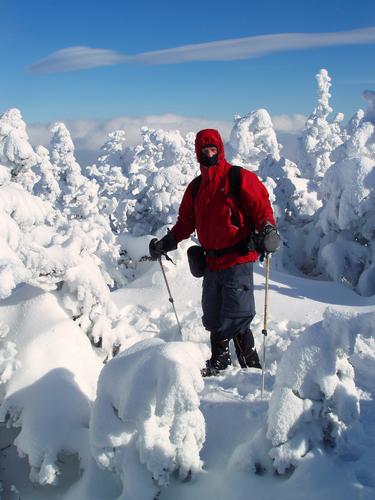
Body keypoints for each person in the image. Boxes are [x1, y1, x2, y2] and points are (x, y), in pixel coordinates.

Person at [149, 129, 280, 376]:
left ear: (220, 150)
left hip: (238, 257)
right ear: (198, 154)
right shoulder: (196, 187)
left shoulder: (237, 177)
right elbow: (185, 222)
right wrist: (166, 243)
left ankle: (250, 369)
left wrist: (268, 230)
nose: (208, 153)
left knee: (237, 314)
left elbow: (261, 207)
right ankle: (220, 361)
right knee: (214, 314)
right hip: (211, 261)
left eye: (212, 149)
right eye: (204, 150)